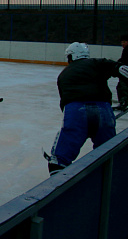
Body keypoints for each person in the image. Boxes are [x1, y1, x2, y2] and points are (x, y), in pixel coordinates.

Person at [45, 42, 128, 176]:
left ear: (71, 57)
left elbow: (64, 102)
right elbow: (123, 69)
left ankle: (58, 184)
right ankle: (109, 182)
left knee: (59, 159)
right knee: (108, 153)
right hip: (104, 111)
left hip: (75, 111)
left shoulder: (64, 74)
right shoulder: (97, 63)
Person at [115, 34, 128, 111]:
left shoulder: (127, 50)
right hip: (125, 72)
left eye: (124, 42)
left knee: (122, 87)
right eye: (121, 42)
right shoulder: (125, 50)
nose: (122, 44)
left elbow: (124, 61)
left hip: (125, 73)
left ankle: (124, 102)